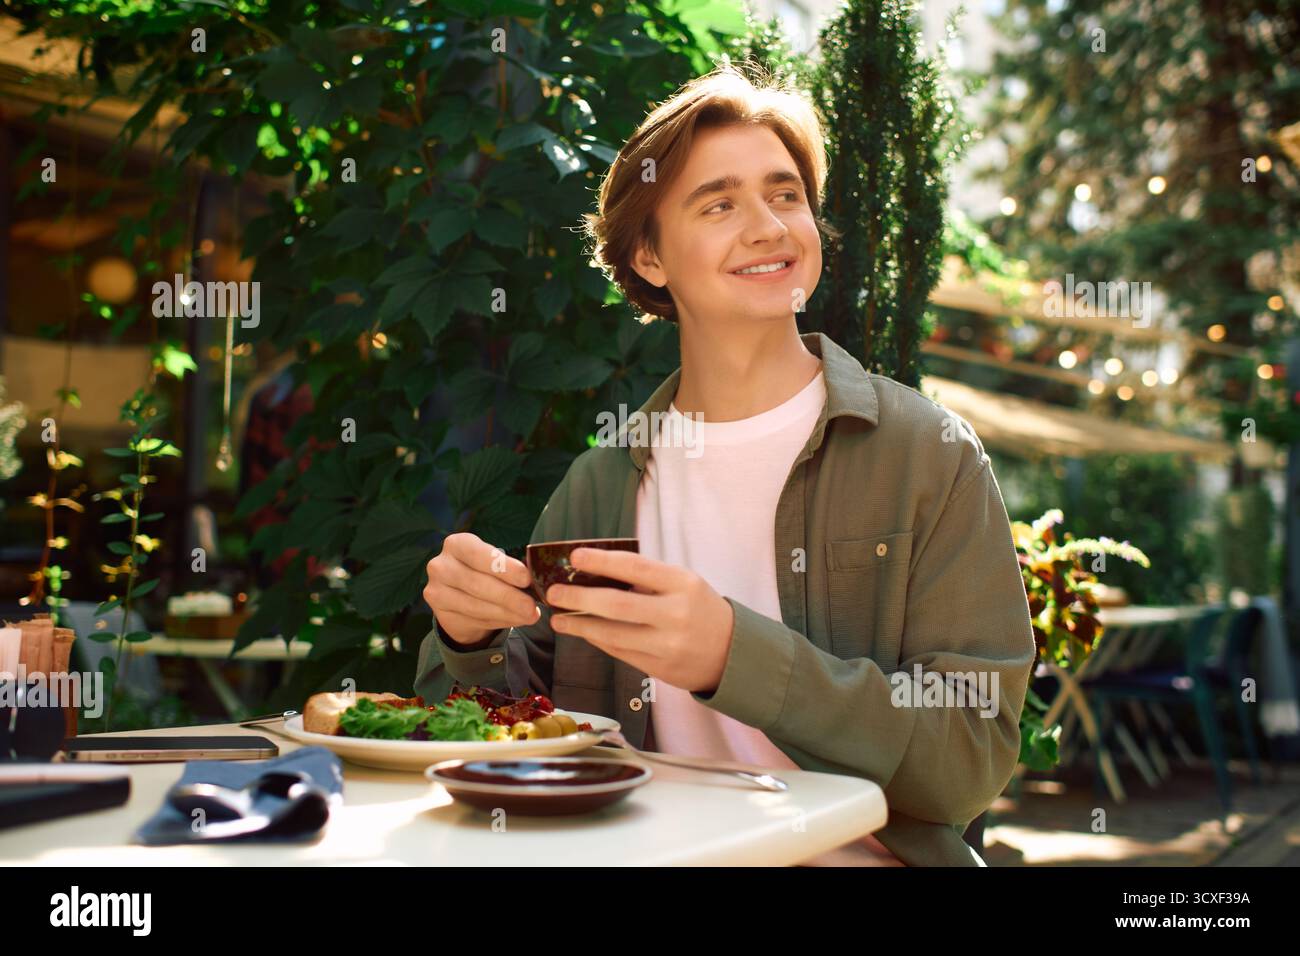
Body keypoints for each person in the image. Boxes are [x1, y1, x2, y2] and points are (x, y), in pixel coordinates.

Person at [415, 63, 1035, 867]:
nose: (770, 227)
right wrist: (469, 634)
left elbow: (968, 764)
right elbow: (491, 731)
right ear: (649, 256)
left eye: (786, 196)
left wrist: (732, 656)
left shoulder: (928, 454)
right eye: (720, 204)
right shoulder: (603, 482)